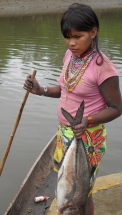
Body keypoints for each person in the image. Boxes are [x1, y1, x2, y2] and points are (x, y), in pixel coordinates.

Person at [23, 3, 122, 215]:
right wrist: (41, 90)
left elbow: (116, 108)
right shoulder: (70, 56)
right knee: (67, 188)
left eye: (78, 36)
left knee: (82, 193)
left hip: (89, 137)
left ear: (93, 32)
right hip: (65, 134)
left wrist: (89, 120)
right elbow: (65, 90)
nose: (71, 43)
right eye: (67, 37)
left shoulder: (103, 67)